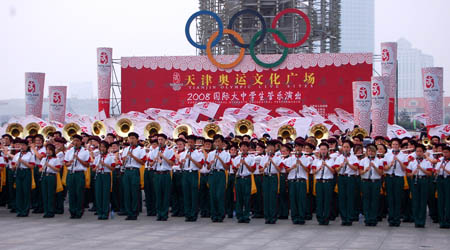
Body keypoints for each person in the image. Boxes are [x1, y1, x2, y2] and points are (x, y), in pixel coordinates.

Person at [148, 133, 175, 221]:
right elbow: (150, 164)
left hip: (165, 173)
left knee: (166, 194)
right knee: (158, 194)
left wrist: (163, 157)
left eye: (161, 140)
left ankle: (164, 214)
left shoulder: (170, 150)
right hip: (157, 174)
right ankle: (159, 213)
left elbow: (172, 163)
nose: (160, 141)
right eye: (158, 140)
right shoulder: (154, 151)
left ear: (165, 141)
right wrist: (155, 160)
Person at [120, 132, 146, 220]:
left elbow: (143, 162)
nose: (131, 140)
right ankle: (128, 212)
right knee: (126, 192)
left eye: (133, 138)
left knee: (134, 192)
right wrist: (124, 159)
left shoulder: (141, 149)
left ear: (137, 139)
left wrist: (133, 156)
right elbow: (122, 162)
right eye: (130, 138)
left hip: (134, 171)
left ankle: (135, 212)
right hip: (127, 171)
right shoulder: (126, 149)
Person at [407, 144, 433, 228]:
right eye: (417, 151)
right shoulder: (412, 162)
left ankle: (422, 221)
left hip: (424, 180)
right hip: (415, 180)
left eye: (420, 151)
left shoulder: (427, 162)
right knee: (415, 201)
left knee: (423, 201)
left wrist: (421, 169)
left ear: (423, 152)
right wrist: (412, 173)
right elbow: (408, 173)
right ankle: (416, 220)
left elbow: (429, 173)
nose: (418, 153)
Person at [64, 135, 90, 219]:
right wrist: (70, 162)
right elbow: (66, 163)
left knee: (79, 193)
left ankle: (79, 211)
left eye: (77, 141)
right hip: (71, 173)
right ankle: (72, 211)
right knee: (71, 193)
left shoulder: (85, 151)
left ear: (80, 141)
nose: (75, 143)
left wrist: (78, 159)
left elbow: (87, 164)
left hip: (79, 173)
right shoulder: (69, 151)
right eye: (74, 141)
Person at [180, 135, 204, 222]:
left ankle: (193, 214)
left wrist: (192, 159)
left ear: (194, 143)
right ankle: (187, 214)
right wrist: (182, 163)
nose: (190, 144)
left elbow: (200, 166)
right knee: (186, 194)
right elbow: (180, 166)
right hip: (185, 173)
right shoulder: (183, 153)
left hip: (193, 173)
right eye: (188, 142)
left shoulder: (198, 153)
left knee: (193, 194)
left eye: (191, 142)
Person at [334, 140, 359, 226]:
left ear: (350, 148)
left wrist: (348, 163)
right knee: (342, 197)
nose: (346, 149)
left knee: (350, 197)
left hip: (350, 178)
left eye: (347, 147)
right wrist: (341, 165)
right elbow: (336, 170)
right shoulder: (339, 157)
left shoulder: (354, 157)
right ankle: (344, 218)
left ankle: (349, 217)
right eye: (344, 147)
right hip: (341, 177)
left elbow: (355, 168)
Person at [384, 138, 408, 227]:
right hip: (389, 177)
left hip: (399, 177)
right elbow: (385, 168)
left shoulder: (403, 156)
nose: (395, 146)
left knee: (397, 199)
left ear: (399, 146)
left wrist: (399, 161)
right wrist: (391, 164)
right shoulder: (387, 155)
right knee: (390, 198)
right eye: (393, 145)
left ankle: (397, 219)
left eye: (396, 145)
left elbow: (404, 168)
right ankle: (391, 219)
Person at [207, 134, 230, 222]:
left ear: (222, 143)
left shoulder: (226, 154)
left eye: (219, 142)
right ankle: (214, 214)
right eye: (215, 142)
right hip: (213, 173)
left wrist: (219, 159)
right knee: (212, 195)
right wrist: (210, 163)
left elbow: (227, 167)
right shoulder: (211, 154)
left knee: (220, 195)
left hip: (221, 174)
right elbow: (208, 167)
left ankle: (220, 215)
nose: (217, 143)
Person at [286, 141, 310, 225]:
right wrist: (292, 167)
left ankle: (301, 217)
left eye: (300, 147)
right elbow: (286, 170)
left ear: (302, 148)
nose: (298, 148)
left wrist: (301, 164)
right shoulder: (290, 159)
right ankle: (294, 217)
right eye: (296, 147)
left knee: (301, 199)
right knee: (293, 200)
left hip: (301, 180)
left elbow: (308, 170)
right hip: (292, 180)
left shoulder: (306, 158)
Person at [359, 144, 384, 226]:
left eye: (372, 151)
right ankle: (367, 218)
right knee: (366, 200)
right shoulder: (363, 161)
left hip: (375, 181)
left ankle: (373, 218)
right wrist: (366, 170)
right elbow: (360, 172)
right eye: (369, 151)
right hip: (366, 181)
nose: (371, 153)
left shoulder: (379, 161)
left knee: (374, 200)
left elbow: (381, 173)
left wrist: (375, 167)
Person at [312, 142, 336, 225]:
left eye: (324, 149)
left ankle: (326, 218)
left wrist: (327, 166)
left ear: (327, 150)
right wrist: (319, 168)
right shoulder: (316, 160)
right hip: (319, 182)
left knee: (327, 200)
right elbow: (314, 172)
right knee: (319, 200)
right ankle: (320, 218)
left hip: (327, 182)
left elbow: (333, 172)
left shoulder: (331, 160)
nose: (323, 151)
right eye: (321, 149)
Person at [11, 139, 36, 217]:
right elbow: (12, 167)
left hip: (26, 172)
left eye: (23, 145)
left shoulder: (30, 154)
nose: (22, 147)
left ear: (26, 146)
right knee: (19, 191)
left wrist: (22, 162)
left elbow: (32, 166)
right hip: (18, 172)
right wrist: (15, 166)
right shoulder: (17, 155)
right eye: (21, 145)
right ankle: (19, 210)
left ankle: (25, 210)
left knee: (26, 191)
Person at [233, 141, 256, 223]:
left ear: (248, 148)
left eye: (245, 147)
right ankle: (239, 216)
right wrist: (236, 167)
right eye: (242, 147)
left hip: (247, 178)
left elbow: (252, 170)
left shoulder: (251, 158)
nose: (243, 148)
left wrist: (245, 163)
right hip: (239, 178)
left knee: (247, 198)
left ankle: (246, 216)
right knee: (239, 198)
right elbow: (234, 170)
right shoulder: (236, 158)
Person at [92, 141, 115, 220]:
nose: (102, 149)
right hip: (99, 175)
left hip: (106, 175)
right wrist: (97, 166)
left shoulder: (110, 156)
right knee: (98, 194)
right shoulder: (97, 157)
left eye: (103, 147)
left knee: (105, 194)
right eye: (101, 147)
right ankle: (100, 212)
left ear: (107, 148)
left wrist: (105, 164)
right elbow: (93, 169)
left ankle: (105, 212)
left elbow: (112, 168)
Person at [260, 140, 282, 224]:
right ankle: (267, 217)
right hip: (266, 177)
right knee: (266, 197)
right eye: (268, 147)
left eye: (271, 147)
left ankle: (273, 217)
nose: (269, 148)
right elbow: (260, 170)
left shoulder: (277, 158)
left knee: (273, 197)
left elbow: (279, 170)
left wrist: (273, 162)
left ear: (274, 148)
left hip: (273, 177)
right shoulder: (264, 158)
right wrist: (264, 166)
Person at [39, 144, 62, 218]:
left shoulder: (56, 159)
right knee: (44, 194)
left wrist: (49, 165)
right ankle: (46, 211)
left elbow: (58, 169)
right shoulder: (44, 159)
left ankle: (51, 211)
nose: (48, 151)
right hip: (44, 176)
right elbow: (39, 169)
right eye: (47, 150)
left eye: (50, 150)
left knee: (50, 194)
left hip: (51, 176)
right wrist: (41, 169)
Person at [435, 146, 450, 228]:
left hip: (448, 180)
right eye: (444, 152)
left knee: (448, 200)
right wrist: (436, 171)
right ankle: (441, 220)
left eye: (447, 152)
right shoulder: (440, 160)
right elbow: (436, 169)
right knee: (441, 200)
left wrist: (445, 169)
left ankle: (448, 220)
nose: (445, 154)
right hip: (440, 180)